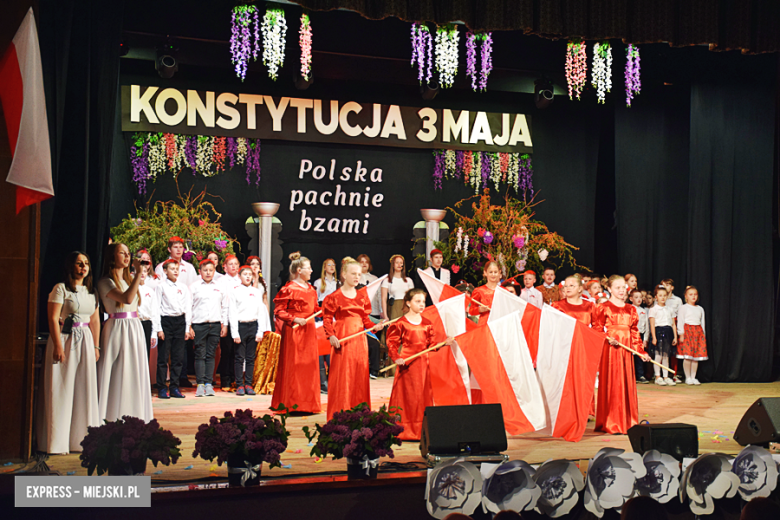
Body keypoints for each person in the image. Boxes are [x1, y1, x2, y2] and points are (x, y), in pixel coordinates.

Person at [37, 252, 101, 453]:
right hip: (66, 339)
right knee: (62, 386)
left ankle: (81, 440)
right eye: (79, 263)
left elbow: (95, 320)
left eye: (86, 263)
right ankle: (57, 442)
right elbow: (54, 318)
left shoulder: (92, 292)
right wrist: (57, 345)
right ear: (70, 266)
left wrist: (96, 346)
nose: (83, 267)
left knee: (84, 388)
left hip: (86, 340)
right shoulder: (61, 289)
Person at [97, 243, 154, 422]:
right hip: (117, 326)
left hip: (134, 325)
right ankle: (111, 414)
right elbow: (126, 298)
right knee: (116, 369)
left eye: (128, 253)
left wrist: (134, 277)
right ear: (112, 257)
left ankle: (134, 412)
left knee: (134, 369)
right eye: (122, 253)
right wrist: (138, 274)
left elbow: (135, 303)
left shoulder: (128, 280)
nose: (127, 257)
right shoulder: (106, 281)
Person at [323, 259, 385, 420]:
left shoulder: (362, 296)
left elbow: (365, 320)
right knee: (343, 376)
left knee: (359, 375)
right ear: (344, 275)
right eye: (353, 273)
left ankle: (360, 414)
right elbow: (327, 319)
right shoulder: (334, 297)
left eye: (359, 274)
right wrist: (331, 336)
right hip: (343, 339)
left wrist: (375, 326)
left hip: (359, 342)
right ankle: (340, 413)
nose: (357, 277)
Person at [388, 289, 453, 440]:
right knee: (407, 396)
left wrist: (444, 343)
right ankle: (403, 428)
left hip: (423, 364)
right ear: (408, 303)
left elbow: (431, 344)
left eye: (423, 301)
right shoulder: (401, 323)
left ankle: (420, 430)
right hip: (407, 364)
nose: (421, 304)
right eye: (417, 301)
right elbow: (391, 344)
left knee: (420, 396)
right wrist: (396, 357)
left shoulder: (427, 324)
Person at [592, 275, 651, 434]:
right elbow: (597, 330)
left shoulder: (631, 309)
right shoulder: (603, 307)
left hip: (626, 352)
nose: (621, 290)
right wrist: (607, 338)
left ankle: (627, 421)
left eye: (623, 287)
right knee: (613, 383)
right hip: (610, 352)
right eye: (617, 287)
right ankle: (611, 421)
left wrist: (641, 352)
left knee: (625, 382)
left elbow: (634, 333)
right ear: (609, 289)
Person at [272, 252, 321, 413]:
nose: (312, 271)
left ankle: (307, 404)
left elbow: (315, 310)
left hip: (309, 332)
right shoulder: (289, 289)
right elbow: (279, 311)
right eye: (309, 268)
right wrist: (294, 319)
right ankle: (292, 403)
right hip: (295, 332)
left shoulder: (312, 289)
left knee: (308, 368)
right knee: (294, 367)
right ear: (299, 270)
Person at [189, 258, 229, 397]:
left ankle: (208, 383)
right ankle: (200, 384)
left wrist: (224, 324)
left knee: (211, 354)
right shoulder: (194, 286)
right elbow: (189, 307)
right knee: (200, 354)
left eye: (210, 270)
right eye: (205, 270)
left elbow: (224, 307)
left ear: (214, 271)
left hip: (215, 324)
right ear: (200, 271)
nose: (208, 273)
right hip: (199, 324)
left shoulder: (219, 286)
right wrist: (189, 325)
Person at [229, 265, 270, 396]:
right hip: (241, 326)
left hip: (253, 325)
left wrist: (260, 331)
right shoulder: (235, 291)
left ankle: (248, 384)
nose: (247, 276)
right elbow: (232, 313)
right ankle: (239, 384)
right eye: (244, 274)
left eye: (249, 274)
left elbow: (261, 313)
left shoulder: (257, 292)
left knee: (251, 358)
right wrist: (235, 333)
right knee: (239, 357)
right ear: (239, 276)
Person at [154, 259, 192, 399]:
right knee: (163, 357)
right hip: (166, 321)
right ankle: (162, 387)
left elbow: (188, 307)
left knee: (178, 357)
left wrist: (187, 327)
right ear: (165, 271)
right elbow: (156, 308)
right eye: (172, 268)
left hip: (180, 322)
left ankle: (175, 387)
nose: (175, 271)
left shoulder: (183, 287)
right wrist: (159, 328)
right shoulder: (161, 286)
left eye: (177, 268)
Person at [136, 250, 159, 386]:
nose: (143, 273)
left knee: (145, 356)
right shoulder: (131, 289)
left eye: (145, 271)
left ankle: (143, 385)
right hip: (135, 323)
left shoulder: (150, 291)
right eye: (140, 271)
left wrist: (154, 332)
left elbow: (154, 312)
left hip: (147, 324)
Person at [218, 255, 241, 391]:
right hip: (226, 318)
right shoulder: (221, 281)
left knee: (237, 351)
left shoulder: (242, 280)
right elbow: (222, 303)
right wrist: (223, 323)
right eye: (230, 264)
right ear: (225, 267)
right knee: (226, 351)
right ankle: (225, 380)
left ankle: (236, 379)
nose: (233, 266)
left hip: (239, 320)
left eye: (236, 264)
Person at [357, 254, 382, 379]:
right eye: (361, 262)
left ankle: (374, 371)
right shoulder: (355, 279)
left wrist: (379, 322)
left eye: (366, 262)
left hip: (369, 316)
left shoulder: (374, 278)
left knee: (374, 344)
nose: (364, 264)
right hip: (353, 329)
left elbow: (368, 318)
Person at [677, 286, 707, 385]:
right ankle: (688, 377)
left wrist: (703, 335)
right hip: (687, 332)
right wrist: (681, 333)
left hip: (698, 333)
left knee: (696, 357)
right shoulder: (683, 308)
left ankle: (693, 377)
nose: (693, 296)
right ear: (686, 296)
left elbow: (702, 323)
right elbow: (680, 321)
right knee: (688, 356)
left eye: (695, 294)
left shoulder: (700, 309)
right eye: (691, 294)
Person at [649, 285, 677, 386]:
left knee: (666, 355)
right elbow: (652, 324)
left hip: (668, 332)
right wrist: (654, 337)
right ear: (656, 297)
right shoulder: (654, 309)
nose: (663, 298)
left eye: (664, 295)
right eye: (660, 295)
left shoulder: (670, 309)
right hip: (658, 332)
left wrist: (675, 336)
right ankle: (657, 376)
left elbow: (673, 324)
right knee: (658, 355)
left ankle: (666, 376)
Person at [661, 278, 683, 382]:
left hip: (673, 325)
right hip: (662, 326)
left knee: (674, 352)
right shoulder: (659, 298)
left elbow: (681, 315)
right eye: (663, 285)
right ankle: (662, 374)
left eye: (667, 285)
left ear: (672, 287)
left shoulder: (677, 300)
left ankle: (674, 374)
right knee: (663, 351)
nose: (665, 287)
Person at [381, 255, 415, 321]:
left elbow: (412, 297)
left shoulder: (409, 280)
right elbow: (383, 299)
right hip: (394, 307)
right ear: (393, 265)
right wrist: (385, 315)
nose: (399, 265)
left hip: (406, 306)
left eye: (401, 263)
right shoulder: (387, 281)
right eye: (397, 262)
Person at [469, 261, 501, 325]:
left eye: (495, 272)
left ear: (499, 273)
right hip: (484, 325)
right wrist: (480, 309)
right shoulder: (479, 291)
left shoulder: (504, 291)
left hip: (499, 324)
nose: (493, 274)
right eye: (490, 272)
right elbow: (471, 310)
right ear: (485, 273)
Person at [629, 289, 650, 384]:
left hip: (640, 335)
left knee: (640, 356)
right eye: (636, 297)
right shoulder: (629, 309)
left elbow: (647, 326)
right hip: (630, 335)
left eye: (641, 297)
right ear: (631, 299)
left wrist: (645, 339)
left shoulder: (643, 311)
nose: (639, 299)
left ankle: (640, 375)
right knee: (631, 356)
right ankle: (630, 375)